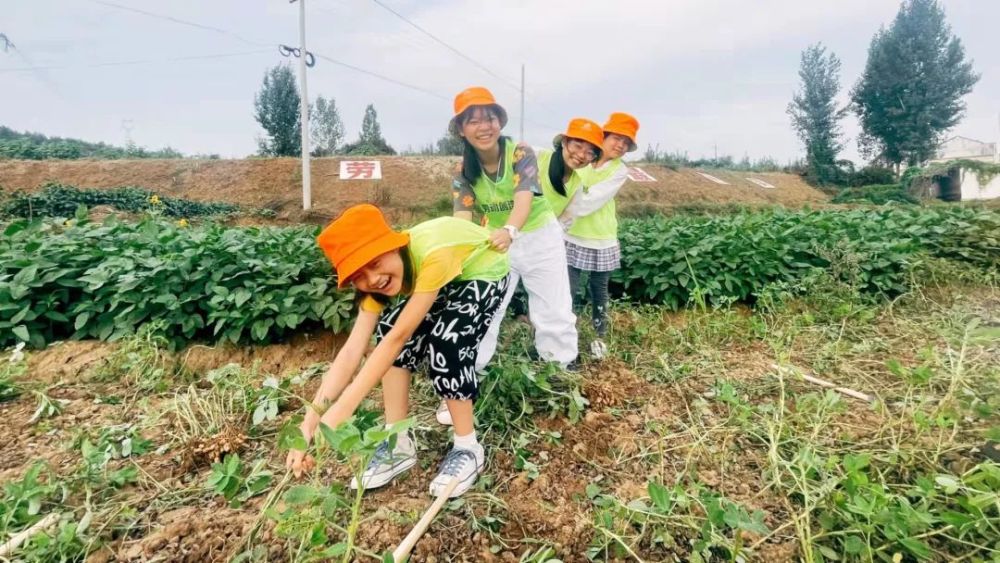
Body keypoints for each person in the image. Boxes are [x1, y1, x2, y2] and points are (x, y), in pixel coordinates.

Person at [284, 204, 510, 498]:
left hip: (483, 269)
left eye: (376, 263)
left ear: (395, 246)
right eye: (359, 275)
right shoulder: (375, 285)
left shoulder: (433, 254)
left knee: (447, 340)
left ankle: (468, 447)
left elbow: (399, 339)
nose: (373, 279)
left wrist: (340, 412)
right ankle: (397, 441)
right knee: (386, 328)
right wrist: (309, 424)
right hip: (444, 278)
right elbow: (352, 351)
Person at [449, 87, 578, 371]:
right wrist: (457, 250)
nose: (484, 127)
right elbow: (462, 214)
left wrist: (510, 231)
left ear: (499, 122)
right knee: (486, 306)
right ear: (461, 129)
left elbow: (524, 199)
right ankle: (471, 372)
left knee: (552, 305)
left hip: (538, 236)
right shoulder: (462, 170)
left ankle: (560, 366)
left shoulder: (519, 152)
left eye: (490, 118)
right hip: (495, 241)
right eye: (473, 121)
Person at [555, 112, 639, 359]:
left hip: (601, 238)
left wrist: (558, 218)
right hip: (572, 236)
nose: (620, 145)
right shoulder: (583, 161)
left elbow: (590, 200)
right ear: (604, 136)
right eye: (617, 138)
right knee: (567, 288)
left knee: (598, 289)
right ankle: (565, 335)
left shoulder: (619, 170)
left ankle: (598, 336)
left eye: (626, 143)